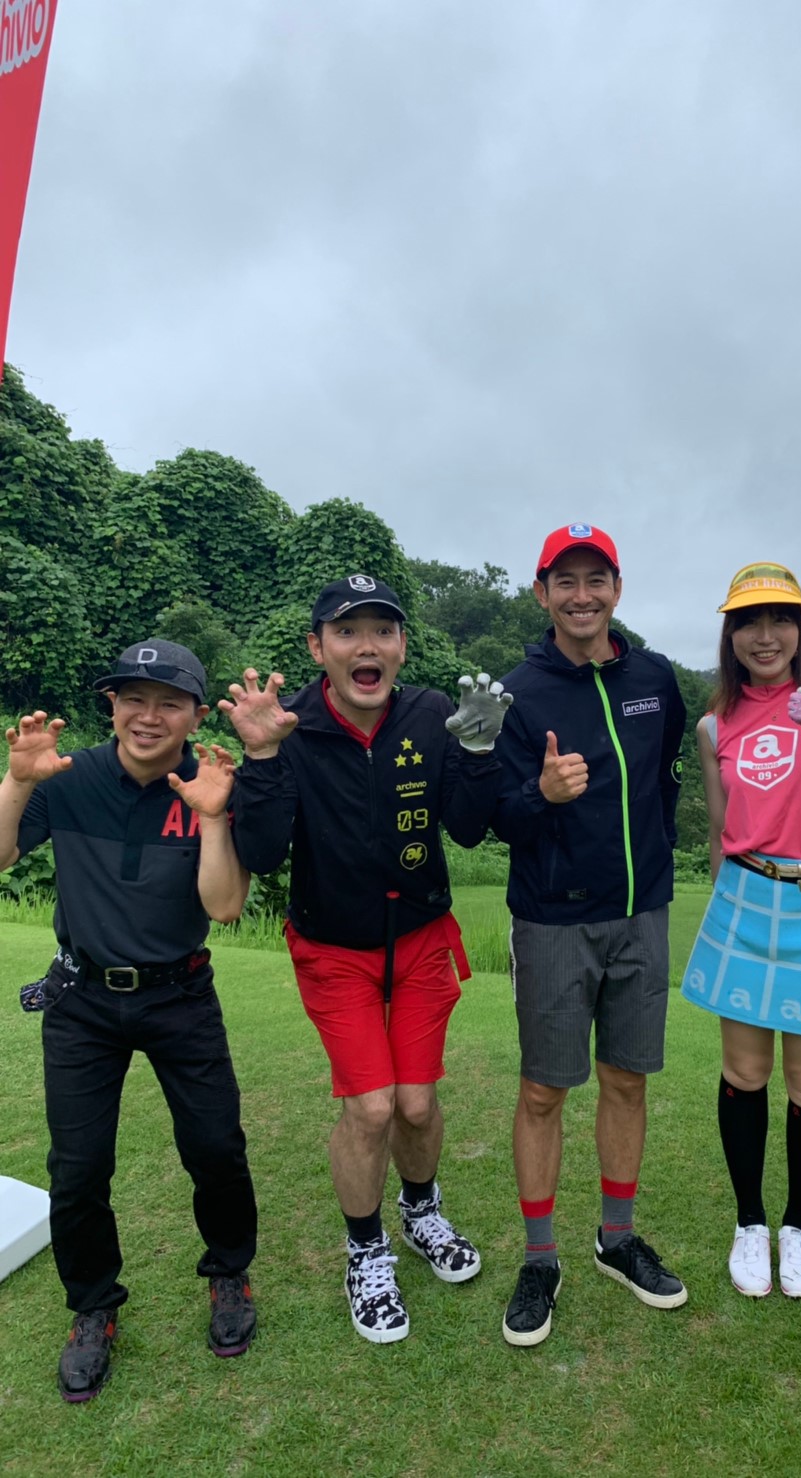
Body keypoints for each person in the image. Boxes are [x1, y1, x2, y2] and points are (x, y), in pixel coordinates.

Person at [222, 574, 511, 1345]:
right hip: (334, 948)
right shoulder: (291, 726)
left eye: (383, 630)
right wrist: (262, 758)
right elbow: (262, 852)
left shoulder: (429, 715)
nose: (366, 646)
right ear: (318, 648)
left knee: (415, 1103)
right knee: (372, 1107)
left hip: (420, 939)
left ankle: (421, 1212)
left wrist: (477, 752)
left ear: (402, 646)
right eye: (347, 632)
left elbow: (469, 829)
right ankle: (365, 1251)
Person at [0, 641, 259, 1403]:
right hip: (82, 1001)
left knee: (215, 1147)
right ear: (110, 705)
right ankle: (93, 1309)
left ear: (196, 715)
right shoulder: (66, 777)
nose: (149, 716)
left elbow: (224, 906)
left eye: (169, 702)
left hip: (180, 995)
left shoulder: (211, 783)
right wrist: (17, 783)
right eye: (132, 699)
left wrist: (213, 819)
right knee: (78, 1168)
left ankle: (229, 1274)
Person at [491, 523, 688, 1347]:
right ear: (542, 594)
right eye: (564, 581)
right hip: (552, 921)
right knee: (544, 1091)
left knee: (627, 1080)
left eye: (595, 579)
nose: (582, 595)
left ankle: (616, 1238)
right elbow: (494, 817)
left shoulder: (655, 678)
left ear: (617, 588)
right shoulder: (517, 693)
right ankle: (541, 1258)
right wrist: (540, 796)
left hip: (642, 912)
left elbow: (668, 776)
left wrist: (657, 852)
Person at [680, 562, 801, 1299]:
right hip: (744, 897)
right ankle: (749, 1222)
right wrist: (721, 903)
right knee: (743, 1074)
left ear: (800, 629)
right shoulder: (714, 724)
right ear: (730, 635)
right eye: (749, 622)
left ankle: (798, 1226)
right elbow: (721, 828)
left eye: (780, 620)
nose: (765, 636)